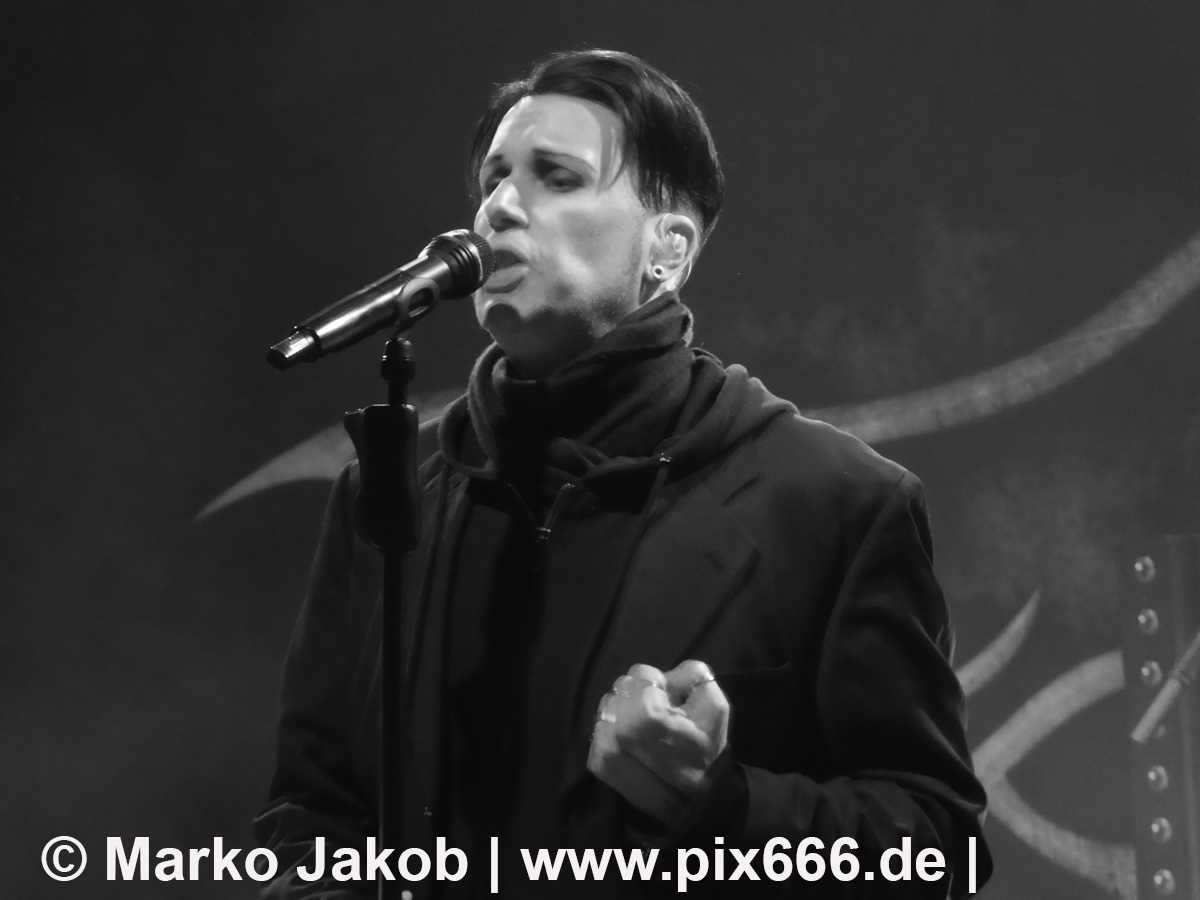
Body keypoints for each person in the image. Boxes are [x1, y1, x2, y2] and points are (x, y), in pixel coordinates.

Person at [254, 49, 992, 898]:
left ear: (667, 249)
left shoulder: (836, 502)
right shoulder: (388, 494)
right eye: (494, 179)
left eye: (557, 178)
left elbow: (939, 848)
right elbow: (311, 813)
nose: (497, 208)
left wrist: (722, 805)